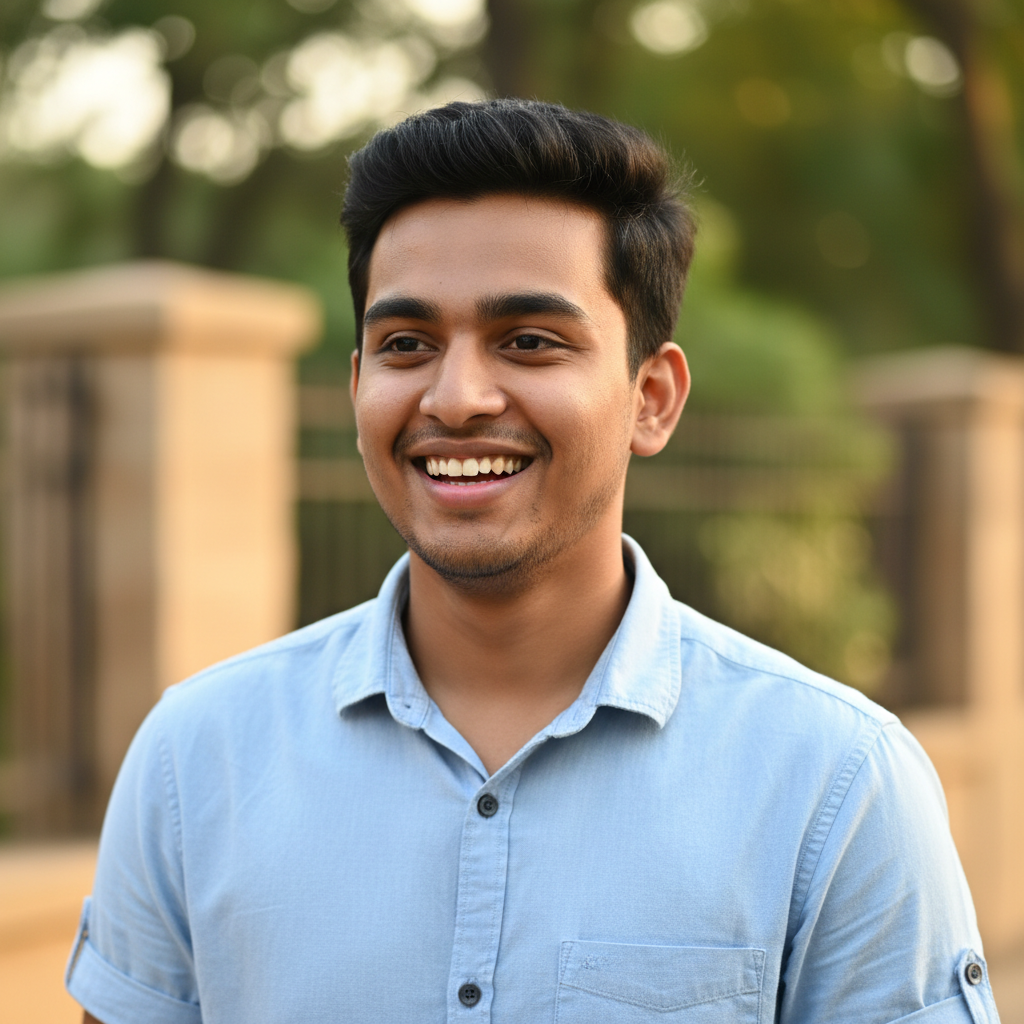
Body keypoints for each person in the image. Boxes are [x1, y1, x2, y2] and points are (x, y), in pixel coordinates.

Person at [68, 99, 998, 1024]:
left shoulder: (834, 783)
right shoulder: (198, 760)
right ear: (357, 387)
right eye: (406, 345)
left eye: (529, 342)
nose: (458, 396)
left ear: (652, 398)